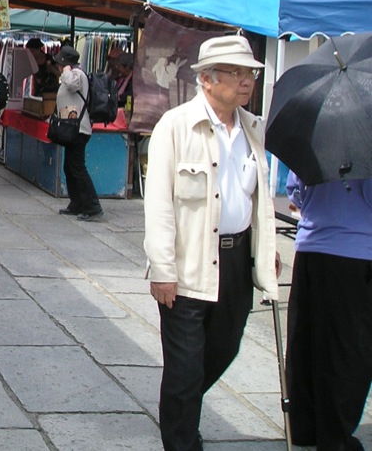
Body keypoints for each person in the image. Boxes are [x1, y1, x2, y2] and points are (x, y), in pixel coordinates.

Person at [143, 35, 279, 451]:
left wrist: (266, 250)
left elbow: (258, 201)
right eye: (235, 73)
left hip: (236, 261)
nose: (246, 81)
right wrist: (162, 269)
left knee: (224, 348)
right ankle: (182, 439)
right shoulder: (176, 126)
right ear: (207, 79)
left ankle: (181, 413)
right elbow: (159, 203)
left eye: (249, 73)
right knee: (185, 368)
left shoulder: (252, 128)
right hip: (188, 264)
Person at [285, 171, 372, 451]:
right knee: (349, 350)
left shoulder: (316, 145)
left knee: (305, 341)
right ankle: (335, 437)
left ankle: (302, 426)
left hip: (310, 247)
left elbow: (294, 190)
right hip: (356, 252)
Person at [51, 45, 104, 221]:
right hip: (72, 127)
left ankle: (93, 207)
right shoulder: (73, 74)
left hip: (79, 129)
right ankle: (77, 203)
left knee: (77, 168)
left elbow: (72, 85)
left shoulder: (77, 74)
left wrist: (66, 70)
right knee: (70, 167)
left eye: (60, 63)